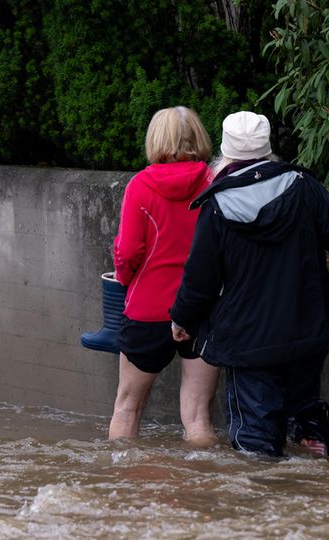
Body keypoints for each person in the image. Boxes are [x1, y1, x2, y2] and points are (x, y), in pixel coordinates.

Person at [170, 111, 329, 457]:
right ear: (268, 149)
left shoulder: (217, 205)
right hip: (306, 330)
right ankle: (313, 441)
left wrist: (182, 319)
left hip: (250, 342)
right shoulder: (302, 185)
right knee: (305, 409)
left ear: (226, 152)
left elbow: (200, 280)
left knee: (256, 442)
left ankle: (265, 498)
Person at [108, 106, 221, 447]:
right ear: (198, 138)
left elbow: (127, 253)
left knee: (127, 407)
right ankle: (202, 487)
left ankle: (122, 488)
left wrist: (125, 281)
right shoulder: (214, 183)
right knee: (199, 416)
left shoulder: (140, 185)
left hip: (147, 310)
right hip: (203, 309)